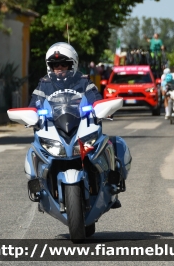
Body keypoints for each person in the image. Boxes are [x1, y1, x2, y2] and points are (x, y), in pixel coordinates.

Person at [28, 42, 122, 209]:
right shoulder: (44, 84)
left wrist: (102, 108)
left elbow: (96, 100)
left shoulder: (84, 82)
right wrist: (30, 115)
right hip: (55, 128)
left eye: (64, 64)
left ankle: (112, 184)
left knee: (113, 143)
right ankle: (38, 187)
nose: (59, 68)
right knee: (33, 150)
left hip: (81, 126)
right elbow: (33, 105)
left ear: (73, 64)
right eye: (55, 64)